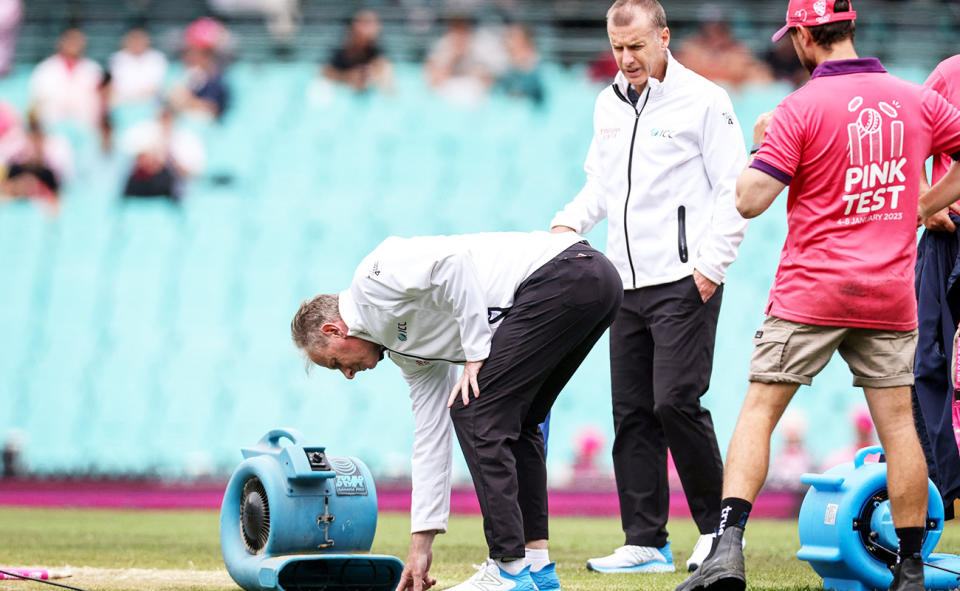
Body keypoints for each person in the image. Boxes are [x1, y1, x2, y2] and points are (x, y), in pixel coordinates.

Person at [674, 1, 960, 590]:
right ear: (850, 28)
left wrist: (760, 144)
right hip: (887, 295)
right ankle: (908, 568)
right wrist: (920, 207)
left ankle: (727, 549)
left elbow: (750, 200)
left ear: (805, 36)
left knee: (759, 412)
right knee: (899, 428)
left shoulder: (796, 108)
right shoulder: (917, 99)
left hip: (810, 291)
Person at [291, 231, 622, 591]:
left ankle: (507, 572)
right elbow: (431, 438)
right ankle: (537, 570)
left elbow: (454, 262)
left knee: (476, 409)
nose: (349, 375)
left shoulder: (372, 278)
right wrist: (421, 545)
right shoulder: (407, 355)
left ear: (333, 330)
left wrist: (476, 352)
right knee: (519, 422)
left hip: (569, 275)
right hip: (591, 284)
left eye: (337, 363)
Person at [549, 0, 748, 574]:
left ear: (664, 37)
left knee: (675, 404)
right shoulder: (606, 103)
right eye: (617, 47)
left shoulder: (705, 100)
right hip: (623, 284)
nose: (626, 59)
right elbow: (600, 187)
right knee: (632, 412)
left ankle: (718, 534)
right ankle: (645, 542)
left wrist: (713, 266)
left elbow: (733, 189)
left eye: (636, 46)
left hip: (686, 280)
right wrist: (568, 222)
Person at [912, 54, 960, 521]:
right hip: (948, 232)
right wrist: (928, 203)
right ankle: (937, 492)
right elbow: (911, 144)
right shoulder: (948, 73)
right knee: (926, 361)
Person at [28, 28, 104, 130]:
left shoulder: (93, 69)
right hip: (52, 123)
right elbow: (37, 99)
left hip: (85, 124)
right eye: (71, 40)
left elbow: (100, 99)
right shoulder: (45, 68)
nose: (74, 44)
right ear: (61, 42)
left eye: (78, 40)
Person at [323, 10, 394, 93]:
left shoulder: (379, 54)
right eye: (365, 23)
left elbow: (389, 88)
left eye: (373, 24)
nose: (370, 28)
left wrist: (369, 77)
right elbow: (325, 73)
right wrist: (347, 77)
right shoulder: (340, 51)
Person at [109, 28, 168, 105]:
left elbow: (158, 86)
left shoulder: (158, 57)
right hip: (124, 102)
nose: (137, 43)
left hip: (152, 102)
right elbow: (118, 86)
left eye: (140, 39)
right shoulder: (117, 58)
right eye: (134, 39)